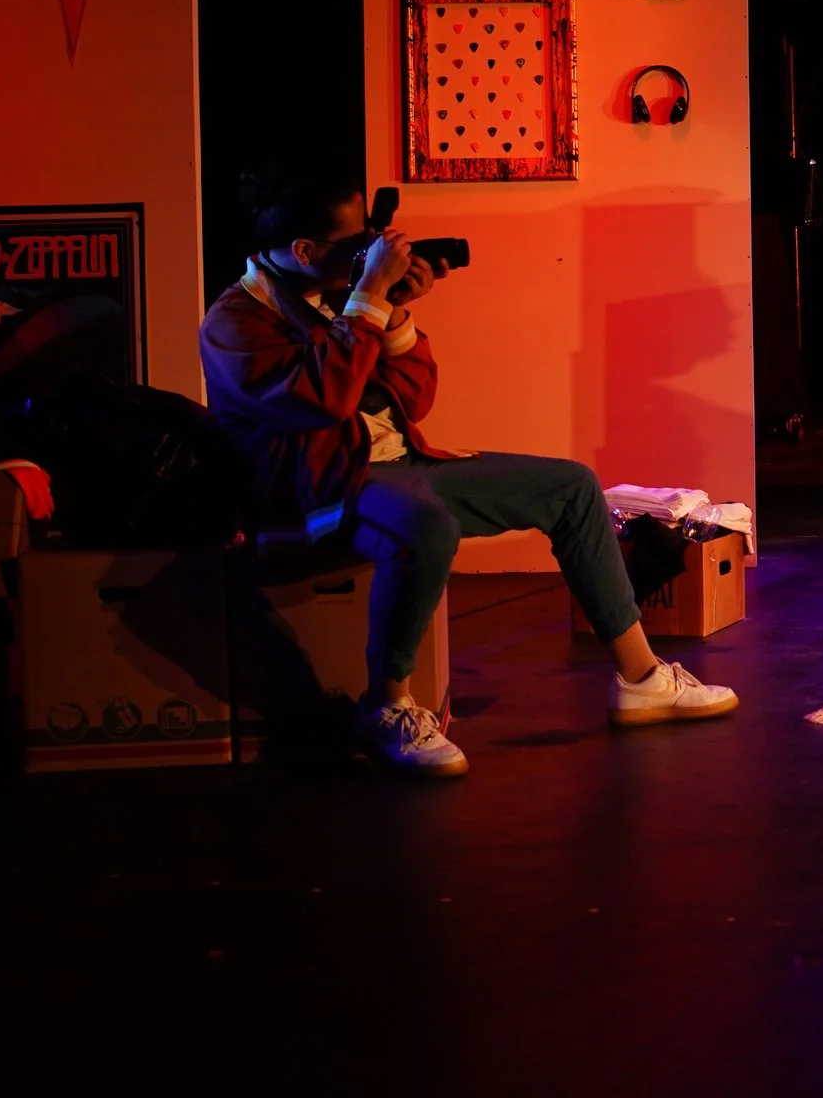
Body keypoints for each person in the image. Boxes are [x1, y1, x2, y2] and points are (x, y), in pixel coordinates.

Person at [200, 174, 737, 778]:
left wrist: (392, 312)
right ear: (303, 250)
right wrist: (368, 299)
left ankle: (641, 678)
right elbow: (325, 398)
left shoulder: (336, 299)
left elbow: (415, 399)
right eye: (357, 245)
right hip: (321, 489)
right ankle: (387, 705)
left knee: (573, 487)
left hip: (399, 466)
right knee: (426, 526)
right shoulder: (235, 324)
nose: (369, 254)